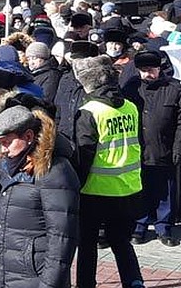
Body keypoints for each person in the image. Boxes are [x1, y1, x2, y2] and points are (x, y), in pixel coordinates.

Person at [0, 105, 79, 288]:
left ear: (28, 137)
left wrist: (49, 284)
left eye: (7, 142)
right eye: (0, 143)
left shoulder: (55, 173)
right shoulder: (8, 165)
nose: (3, 150)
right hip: (1, 273)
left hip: (32, 276)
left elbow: (61, 239)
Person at [71, 55, 145, 288]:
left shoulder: (89, 111)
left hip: (95, 189)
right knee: (121, 241)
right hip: (128, 186)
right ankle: (134, 282)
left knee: (87, 243)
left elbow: (85, 154)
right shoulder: (131, 107)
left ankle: (85, 284)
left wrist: (75, 185)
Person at [126, 51, 181, 247]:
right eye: (143, 70)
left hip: (165, 149)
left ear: (159, 68)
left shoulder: (175, 89)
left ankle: (164, 227)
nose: (147, 74)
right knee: (139, 190)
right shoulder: (131, 87)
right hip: (137, 149)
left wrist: (179, 149)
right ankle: (139, 226)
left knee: (165, 192)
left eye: (151, 70)